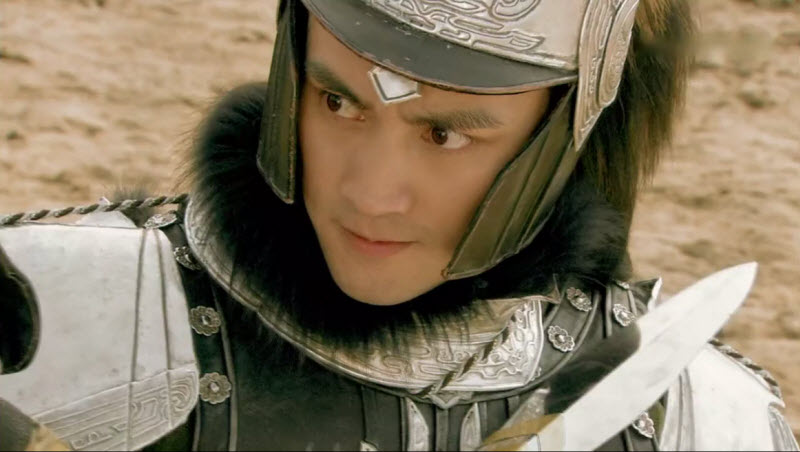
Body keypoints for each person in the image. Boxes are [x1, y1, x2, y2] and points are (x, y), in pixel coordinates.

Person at [0, 0, 797, 450]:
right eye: (337, 101)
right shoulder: (44, 320)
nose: (369, 195)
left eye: (445, 134)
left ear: (564, 140)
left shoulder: (702, 421)